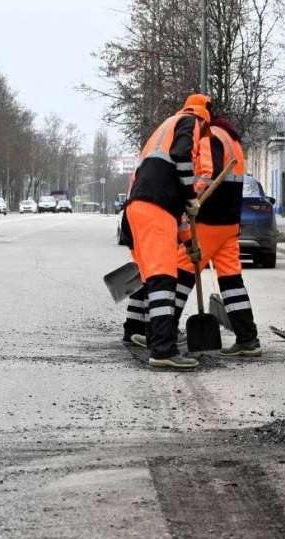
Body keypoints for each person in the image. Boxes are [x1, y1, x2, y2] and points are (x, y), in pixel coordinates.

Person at [120, 93, 213, 369]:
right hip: (155, 207)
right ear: (205, 116)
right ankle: (163, 351)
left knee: (153, 279)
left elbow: (179, 222)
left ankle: (155, 339)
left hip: (139, 208)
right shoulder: (190, 121)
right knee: (163, 280)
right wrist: (190, 196)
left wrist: (188, 243)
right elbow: (181, 155)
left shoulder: (165, 126)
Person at [168, 116, 261, 357]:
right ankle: (247, 338)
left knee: (182, 272)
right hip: (229, 223)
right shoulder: (234, 142)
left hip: (208, 219)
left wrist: (191, 200)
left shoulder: (210, 135)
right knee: (232, 282)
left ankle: (164, 333)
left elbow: (208, 173)